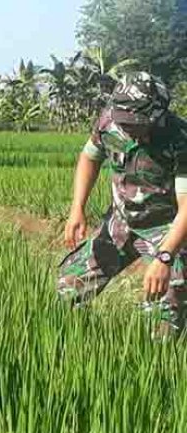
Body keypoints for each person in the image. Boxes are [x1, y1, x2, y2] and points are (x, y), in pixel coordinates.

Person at [57, 72, 187, 337]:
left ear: (156, 116)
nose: (128, 129)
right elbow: (89, 158)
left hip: (166, 229)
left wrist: (165, 257)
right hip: (120, 222)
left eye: (135, 124)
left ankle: (162, 364)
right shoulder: (110, 122)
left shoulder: (179, 138)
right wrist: (77, 209)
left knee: (166, 312)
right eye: (124, 122)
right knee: (68, 287)